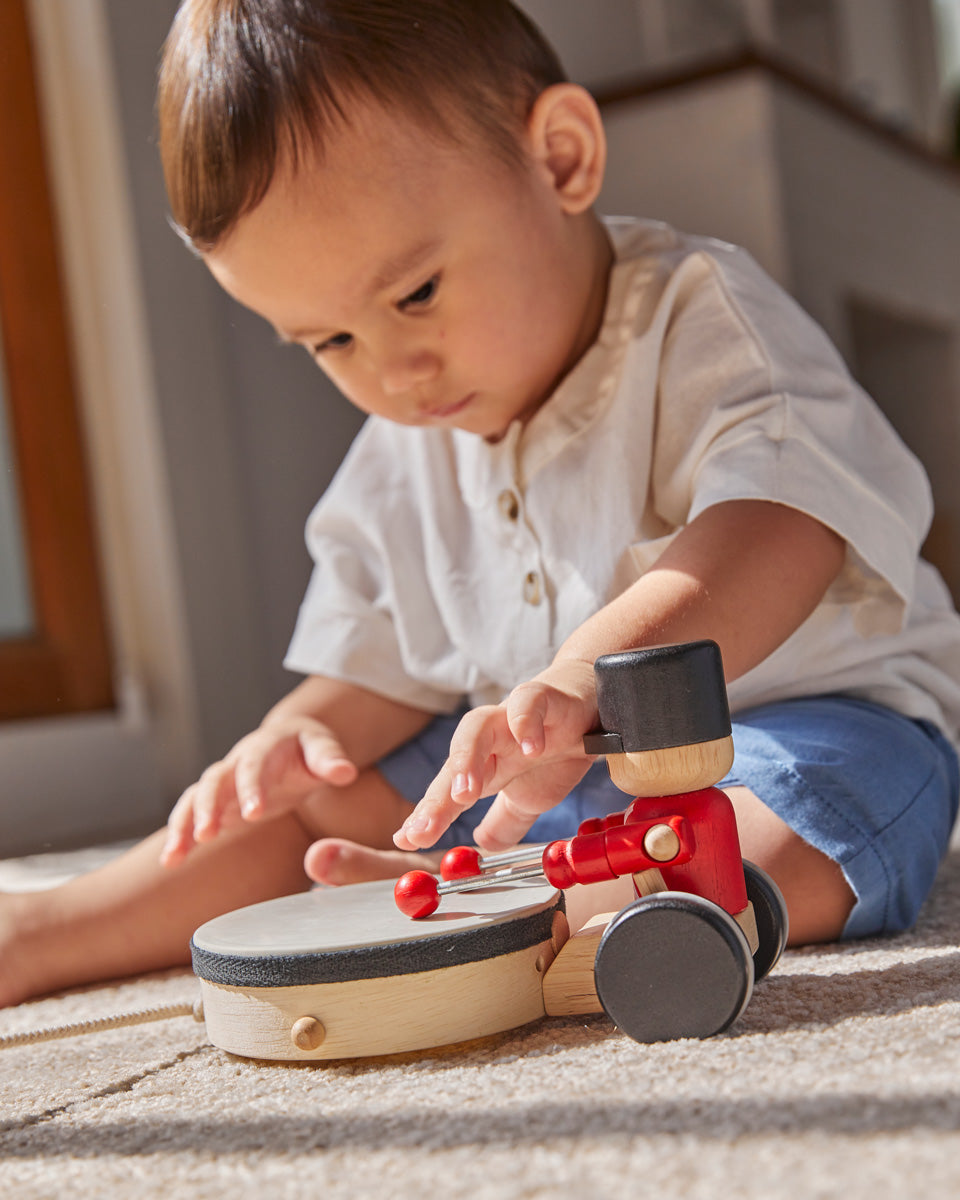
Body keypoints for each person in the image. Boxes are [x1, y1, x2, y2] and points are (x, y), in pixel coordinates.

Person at [3, 0, 960, 1009]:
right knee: (312, 801)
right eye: (329, 343)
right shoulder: (402, 446)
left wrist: (580, 682)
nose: (394, 372)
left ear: (558, 159)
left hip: (790, 726)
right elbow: (376, 665)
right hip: (537, 779)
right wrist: (294, 732)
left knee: (812, 809)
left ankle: (579, 920)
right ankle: (52, 930)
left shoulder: (702, 322)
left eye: (415, 293)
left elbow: (779, 531)